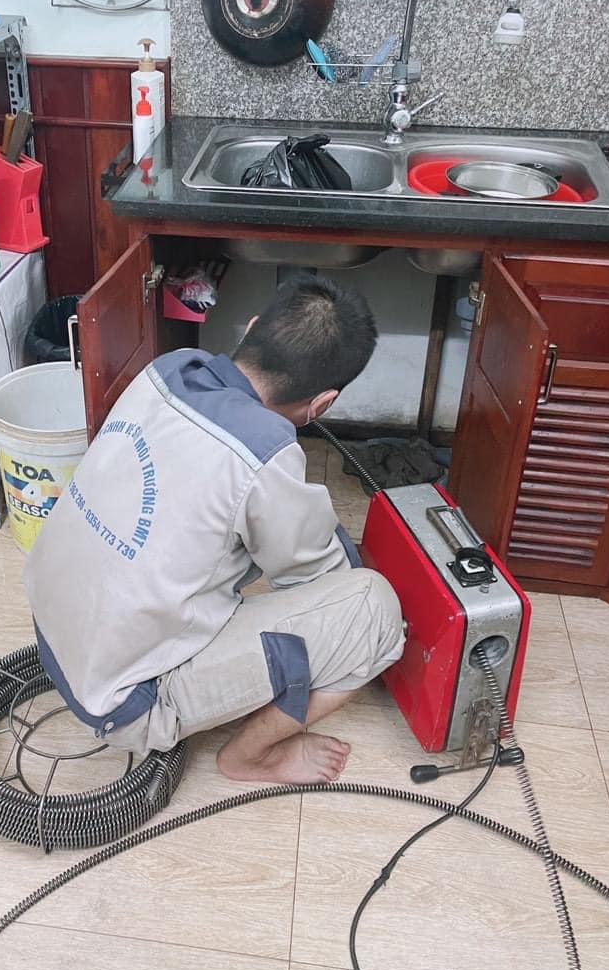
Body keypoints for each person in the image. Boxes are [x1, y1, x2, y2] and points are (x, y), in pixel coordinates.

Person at [23, 276, 404, 785]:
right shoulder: (265, 451)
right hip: (125, 703)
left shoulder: (167, 369)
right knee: (374, 611)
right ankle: (250, 757)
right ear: (323, 404)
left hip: (52, 631)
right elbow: (320, 577)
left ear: (250, 329)